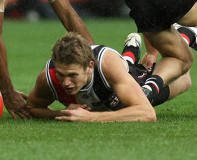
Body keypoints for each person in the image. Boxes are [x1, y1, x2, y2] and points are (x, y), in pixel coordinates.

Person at [27, 32, 182, 122]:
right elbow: (33, 107)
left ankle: (182, 33)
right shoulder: (49, 78)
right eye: (62, 74)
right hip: (115, 76)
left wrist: (91, 117)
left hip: (118, 74)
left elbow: (147, 113)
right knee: (124, 67)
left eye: (73, 75)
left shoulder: (106, 64)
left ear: (90, 67)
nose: (66, 82)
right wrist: (61, 113)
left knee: (183, 81)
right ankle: (130, 53)